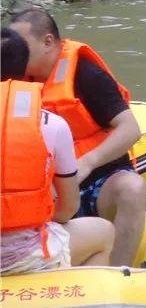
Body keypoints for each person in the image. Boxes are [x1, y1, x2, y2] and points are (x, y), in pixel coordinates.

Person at [9, 9, 146, 268]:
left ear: (48, 41)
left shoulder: (87, 75)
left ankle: (119, 274)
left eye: (22, 46)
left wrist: (87, 162)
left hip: (97, 179)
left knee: (133, 188)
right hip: (46, 189)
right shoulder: (11, 79)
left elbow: (130, 129)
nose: (16, 52)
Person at [1, 27, 114, 274]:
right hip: (23, 256)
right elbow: (68, 208)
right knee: (104, 232)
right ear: (24, 71)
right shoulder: (51, 124)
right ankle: (83, 306)